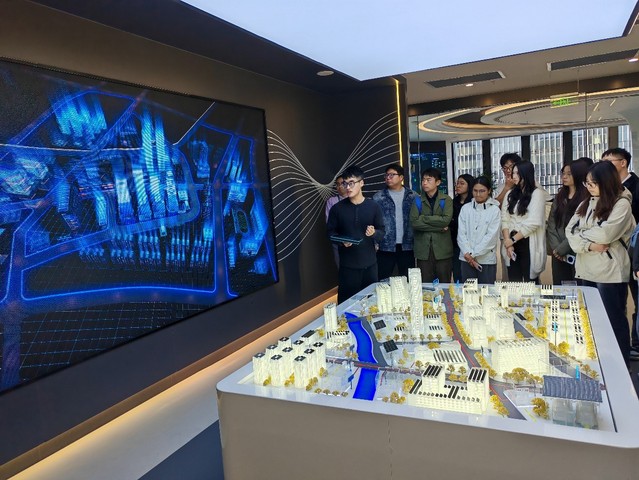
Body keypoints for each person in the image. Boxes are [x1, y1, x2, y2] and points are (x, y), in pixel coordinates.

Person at [566, 160, 636, 364]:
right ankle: (598, 364)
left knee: (613, 321)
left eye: (593, 183)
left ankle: (620, 365)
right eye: (586, 183)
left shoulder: (621, 204)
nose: (588, 187)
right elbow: (569, 232)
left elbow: (606, 234)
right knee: (590, 320)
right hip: (585, 268)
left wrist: (582, 236)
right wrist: (589, 245)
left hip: (609, 272)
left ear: (606, 182)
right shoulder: (585, 203)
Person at [326, 165, 385, 304]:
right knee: (346, 306)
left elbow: (382, 233)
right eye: (345, 183)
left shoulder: (373, 206)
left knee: (372, 304)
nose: (348, 187)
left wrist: (374, 233)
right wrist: (342, 241)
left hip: (370, 265)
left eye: (351, 183)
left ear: (361, 183)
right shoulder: (337, 209)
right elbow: (330, 234)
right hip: (348, 267)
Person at [601, 147, 639, 359]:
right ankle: (622, 346)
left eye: (609, 162)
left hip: (632, 251)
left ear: (623, 163)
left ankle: (635, 344)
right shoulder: (606, 190)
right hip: (615, 256)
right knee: (618, 302)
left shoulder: (634, 188)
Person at [546, 157, 593, 284]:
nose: (564, 177)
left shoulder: (586, 198)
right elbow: (552, 224)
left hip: (576, 249)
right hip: (557, 251)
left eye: (569, 174)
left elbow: (580, 227)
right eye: (563, 173)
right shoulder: (560, 196)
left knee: (578, 286)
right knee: (560, 285)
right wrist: (556, 248)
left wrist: (563, 248)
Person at [501, 161, 547, 283]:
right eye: (513, 173)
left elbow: (533, 223)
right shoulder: (510, 194)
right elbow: (505, 219)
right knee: (514, 281)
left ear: (526, 174)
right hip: (511, 242)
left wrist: (512, 240)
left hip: (527, 241)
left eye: (517, 173)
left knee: (530, 283)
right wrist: (508, 242)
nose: (513, 176)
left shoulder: (537, 193)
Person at [373, 163, 417, 279]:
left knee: (407, 279)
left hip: (407, 245)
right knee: (382, 279)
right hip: (385, 245)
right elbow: (373, 221)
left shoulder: (413, 196)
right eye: (386, 175)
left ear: (401, 177)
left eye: (392, 175)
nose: (388, 178)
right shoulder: (378, 197)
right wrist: (375, 242)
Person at [410, 167, 453, 283]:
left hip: (443, 250)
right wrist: (439, 226)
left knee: (444, 283)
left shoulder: (446, 200)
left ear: (438, 182)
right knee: (426, 284)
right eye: (423, 180)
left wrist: (423, 218)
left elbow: (446, 221)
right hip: (423, 250)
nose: (424, 183)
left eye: (428, 180)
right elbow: (414, 223)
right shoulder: (417, 200)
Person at [457, 176, 500, 284]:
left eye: (482, 191)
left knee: (487, 292)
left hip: (486, 259)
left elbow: (491, 238)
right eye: (475, 191)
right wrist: (468, 253)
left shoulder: (495, 210)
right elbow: (461, 234)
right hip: (466, 259)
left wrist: (473, 254)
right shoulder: (465, 208)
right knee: (468, 291)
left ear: (489, 191)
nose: (478, 194)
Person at [451, 174, 475, 282]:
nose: (458, 186)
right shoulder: (453, 202)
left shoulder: (474, 202)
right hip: (455, 242)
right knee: (457, 273)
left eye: (462, 183)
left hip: (471, 242)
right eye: (457, 183)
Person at [325, 174, 348, 266]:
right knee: (341, 266)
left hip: (356, 240)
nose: (340, 186)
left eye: (342, 183)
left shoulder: (355, 199)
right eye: (337, 184)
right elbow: (329, 222)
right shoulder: (332, 201)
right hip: (339, 240)